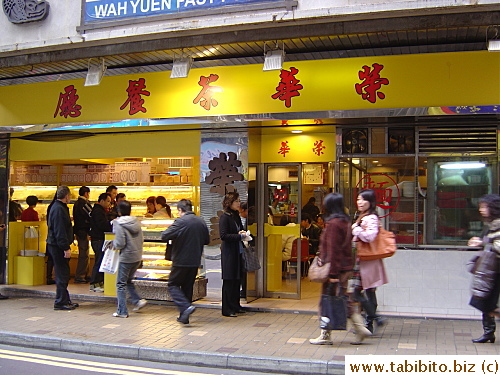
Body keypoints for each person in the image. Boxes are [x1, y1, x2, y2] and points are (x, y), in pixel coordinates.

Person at [309, 193, 371, 345]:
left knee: (327, 301)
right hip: (345, 267)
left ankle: (325, 334)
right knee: (342, 300)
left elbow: (333, 250)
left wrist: (333, 274)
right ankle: (360, 328)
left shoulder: (333, 224)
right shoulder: (345, 222)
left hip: (335, 269)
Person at [161, 199, 209, 324]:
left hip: (181, 260)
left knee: (173, 284)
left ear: (180, 210)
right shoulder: (201, 221)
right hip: (195, 260)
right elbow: (207, 240)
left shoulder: (180, 221)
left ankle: (185, 307)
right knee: (187, 287)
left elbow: (164, 235)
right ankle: (184, 316)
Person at [352, 189, 388, 334]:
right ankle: (371, 322)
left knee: (357, 291)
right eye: (358, 199)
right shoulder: (363, 216)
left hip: (368, 260)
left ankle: (374, 318)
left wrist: (356, 229)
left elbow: (370, 237)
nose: (360, 202)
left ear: (370, 202)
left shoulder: (371, 217)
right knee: (369, 291)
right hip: (364, 259)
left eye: (363, 200)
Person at [468, 194, 500, 344]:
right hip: (492, 271)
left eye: (484, 206)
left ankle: (489, 332)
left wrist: (483, 242)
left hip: (497, 270)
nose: (481, 210)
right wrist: (480, 242)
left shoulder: (497, 225)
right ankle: (488, 332)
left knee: (490, 302)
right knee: (484, 300)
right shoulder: (491, 225)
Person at [112, 200, 147, 318]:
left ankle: (122, 311)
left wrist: (114, 244)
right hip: (136, 257)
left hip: (126, 257)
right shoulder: (136, 222)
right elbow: (141, 239)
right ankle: (137, 300)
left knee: (120, 284)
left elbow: (120, 243)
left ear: (119, 211)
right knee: (128, 281)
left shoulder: (119, 224)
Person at [46, 186, 78, 310]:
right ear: (66, 196)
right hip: (58, 246)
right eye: (69, 196)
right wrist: (65, 248)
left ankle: (65, 299)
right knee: (62, 274)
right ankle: (60, 301)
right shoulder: (59, 209)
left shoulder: (57, 207)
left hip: (56, 245)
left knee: (63, 273)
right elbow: (60, 231)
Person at [219, 191, 246, 317]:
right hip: (229, 252)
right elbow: (224, 236)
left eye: (239, 201)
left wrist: (242, 233)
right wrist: (239, 236)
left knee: (237, 279)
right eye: (236, 201)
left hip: (238, 251)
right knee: (229, 280)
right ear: (229, 203)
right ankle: (227, 308)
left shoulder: (236, 215)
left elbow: (239, 230)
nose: (238, 203)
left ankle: (236, 305)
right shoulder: (225, 217)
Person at [89, 192, 112, 293]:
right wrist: (110, 224)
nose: (109, 204)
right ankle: (94, 283)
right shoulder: (98, 211)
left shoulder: (100, 210)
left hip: (98, 239)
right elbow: (102, 225)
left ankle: (99, 282)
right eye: (107, 201)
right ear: (101, 201)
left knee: (101, 260)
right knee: (99, 261)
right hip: (98, 239)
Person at [73, 186, 92, 284]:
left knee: (84, 253)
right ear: (86, 193)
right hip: (82, 231)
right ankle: (80, 275)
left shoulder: (77, 203)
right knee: (84, 254)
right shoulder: (83, 203)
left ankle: (84, 274)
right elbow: (91, 214)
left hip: (79, 230)